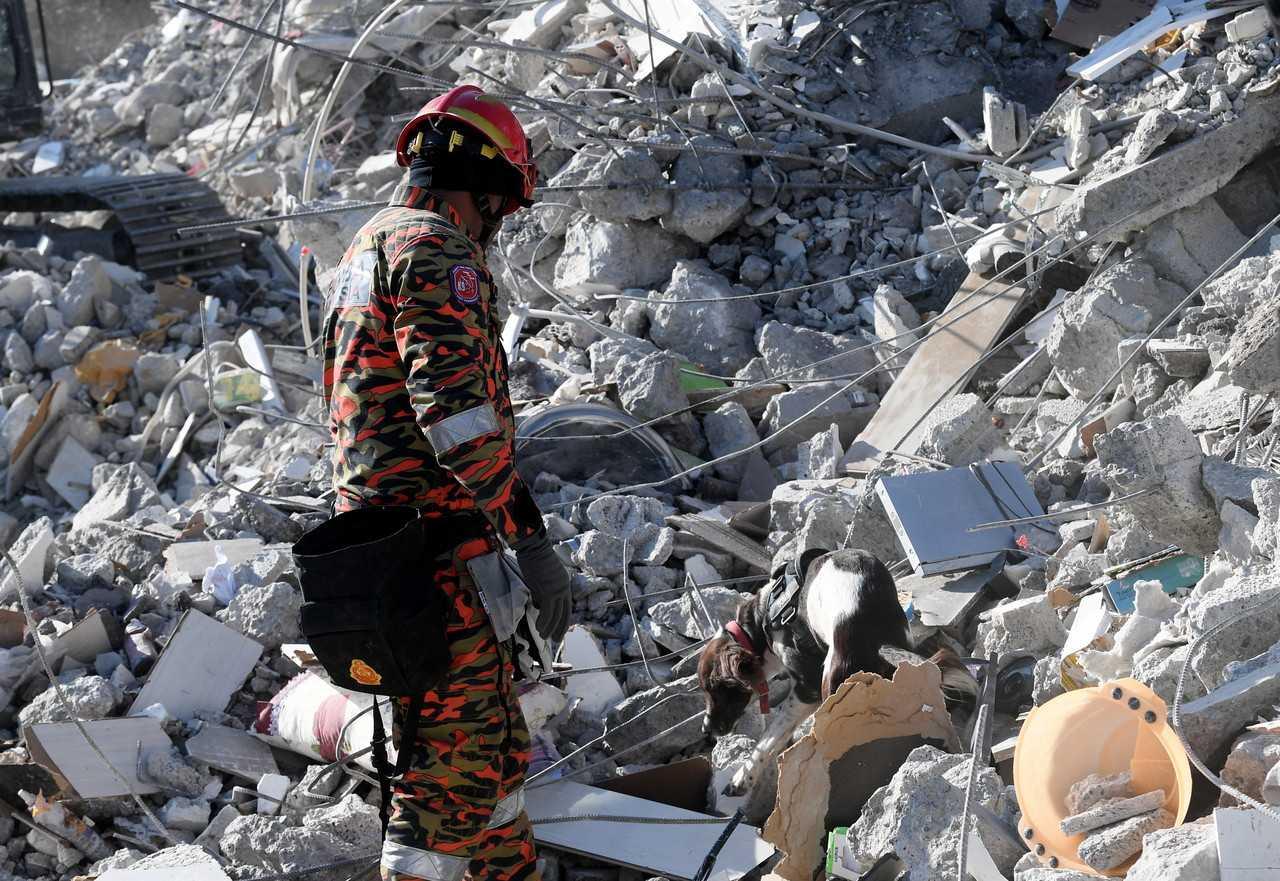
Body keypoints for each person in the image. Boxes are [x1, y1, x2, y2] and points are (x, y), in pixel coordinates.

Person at [320, 84, 571, 881]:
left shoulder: (365, 248)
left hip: (383, 561)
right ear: (485, 190)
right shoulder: (438, 252)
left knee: (489, 758)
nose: (498, 227)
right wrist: (531, 541)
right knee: (447, 780)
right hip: (435, 562)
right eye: (503, 207)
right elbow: (459, 423)